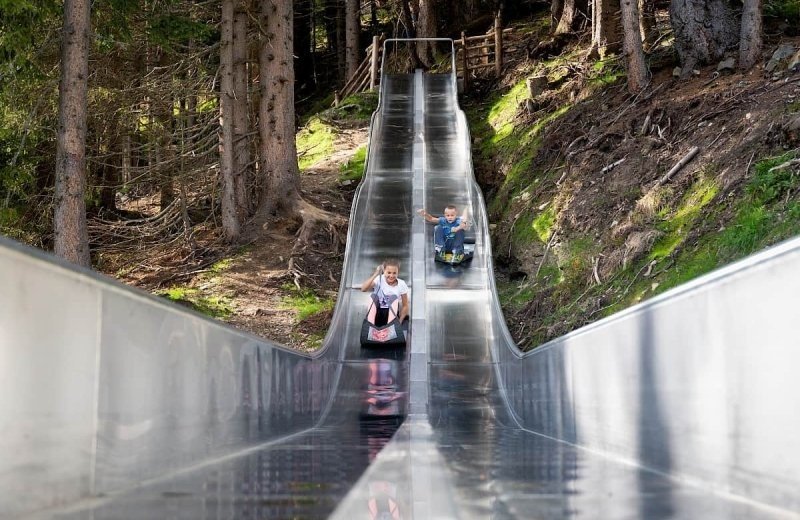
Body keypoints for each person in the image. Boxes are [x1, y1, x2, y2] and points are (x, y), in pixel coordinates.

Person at [360, 259, 409, 327]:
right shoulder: (379, 279)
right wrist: (376, 273)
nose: (391, 276)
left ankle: (391, 326)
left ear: (398, 273)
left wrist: (400, 322)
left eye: (394, 273)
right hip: (377, 313)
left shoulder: (401, 284)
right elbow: (363, 289)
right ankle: (370, 325)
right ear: (384, 271)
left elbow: (405, 305)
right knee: (373, 296)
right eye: (389, 272)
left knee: (393, 298)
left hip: (392, 314)